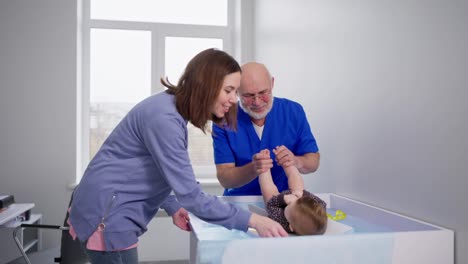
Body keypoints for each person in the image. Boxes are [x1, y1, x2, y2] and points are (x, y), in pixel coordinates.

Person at [68, 49, 288, 264]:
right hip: (107, 216)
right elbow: (192, 196)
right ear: (206, 86)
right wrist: (255, 221)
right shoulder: (165, 119)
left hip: (101, 206)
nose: (233, 99)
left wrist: (172, 205)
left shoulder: (168, 108)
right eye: (229, 90)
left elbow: (152, 168)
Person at [212, 62, 320, 196]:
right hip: (240, 203)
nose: (257, 102)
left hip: (285, 202)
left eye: (263, 92)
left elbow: (313, 161)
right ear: (237, 91)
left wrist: (296, 161)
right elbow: (225, 178)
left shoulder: (293, 111)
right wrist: (254, 168)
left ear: (272, 83)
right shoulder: (224, 119)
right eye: (248, 95)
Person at [258, 148, 327, 235]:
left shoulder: (281, 220)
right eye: (295, 201)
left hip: (277, 202)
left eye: (290, 204)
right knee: (298, 188)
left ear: (291, 226)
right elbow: (322, 204)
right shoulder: (317, 217)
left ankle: (264, 167)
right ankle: (287, 162)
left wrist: (283, 199)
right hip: (298, 195)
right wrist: (303, 194)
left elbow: (271, 205)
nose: (292, 200)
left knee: (269, 193)